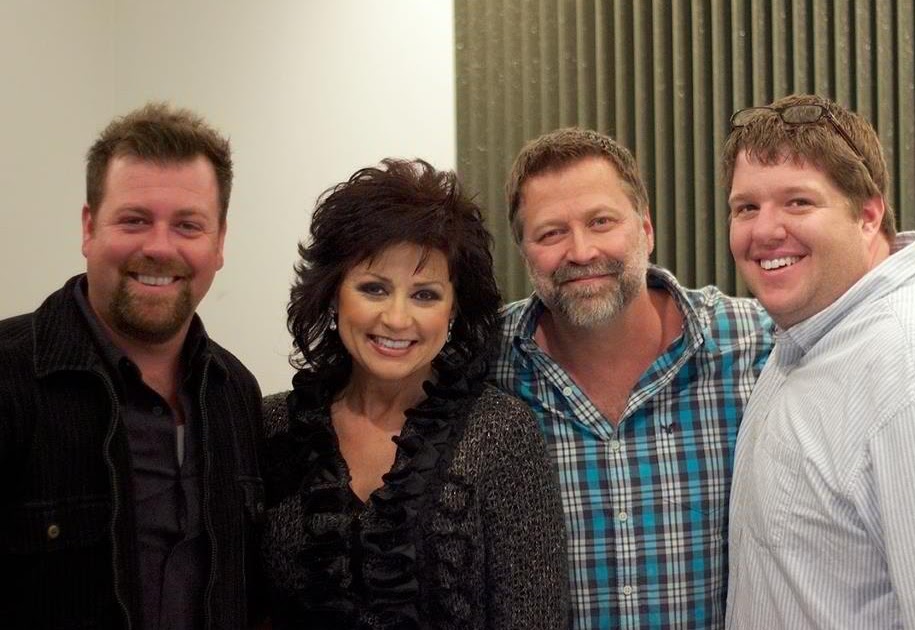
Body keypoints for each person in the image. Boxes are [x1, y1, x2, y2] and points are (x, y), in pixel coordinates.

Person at [259, 158, 568, 629]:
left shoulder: (500, 433)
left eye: (425, 294)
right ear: (333, 293)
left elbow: (534, 617)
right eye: (374, 288)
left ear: (454, 309)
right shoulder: (272, 425)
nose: (397, 319)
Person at [493, 128, 775, 628]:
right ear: (524, 252)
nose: (581, 252)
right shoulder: (483, 366)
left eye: (601, 222)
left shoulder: (758, 345)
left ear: (646, 229)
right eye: (551, 233)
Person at [0, 103, 264, 629]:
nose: (159, 247)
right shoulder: (8, 379)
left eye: (188, 225)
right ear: (88, 227)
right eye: (135, 220)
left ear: (219, 243)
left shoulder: (236, 392)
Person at [723, 93, 915, 628]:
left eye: (798, 202)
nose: (764, 231)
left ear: (868, 215)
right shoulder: (810, 334)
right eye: (746, 208)